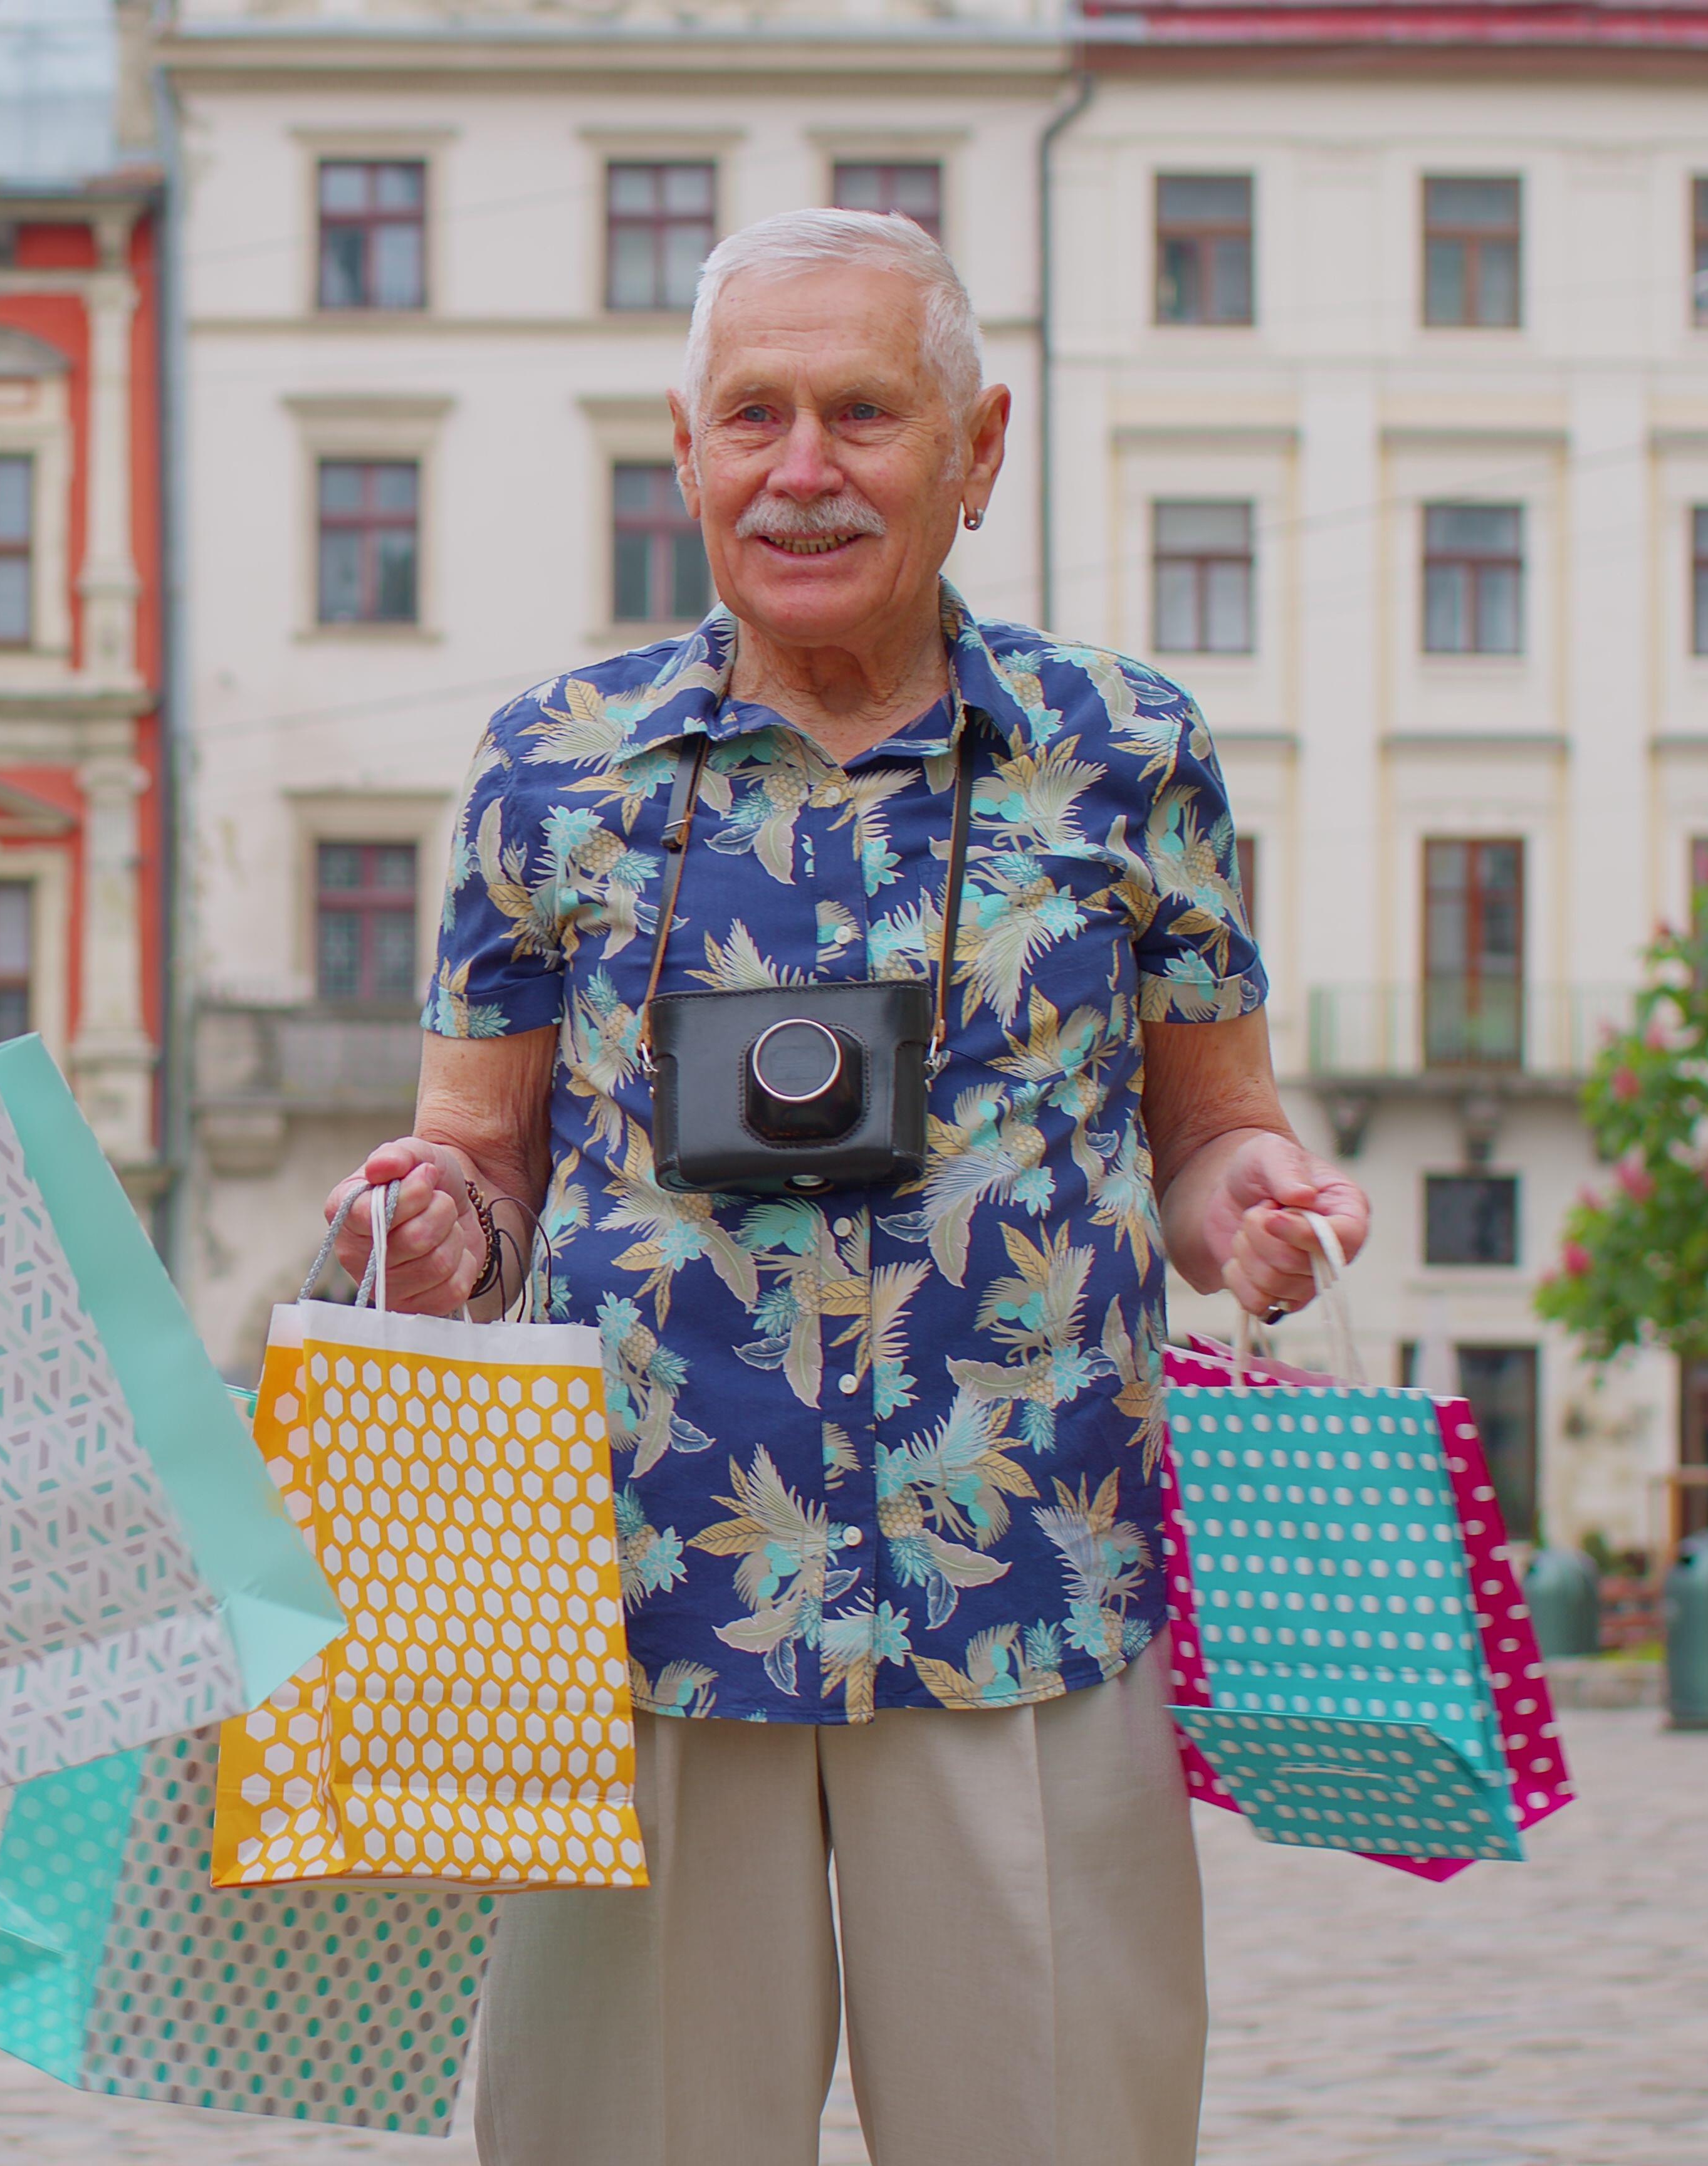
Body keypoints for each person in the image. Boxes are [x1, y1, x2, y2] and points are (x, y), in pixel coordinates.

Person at [328, 210, 1370, 2166]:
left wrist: (1255, 1209)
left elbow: (1211, 1125)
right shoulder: (545, 771)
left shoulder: (1124, 753)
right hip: (634, 1601)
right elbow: (478, 1153)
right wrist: (435, 1217)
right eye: (752, 416)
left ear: (974, 450)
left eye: (863, 414)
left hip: (1025, 1592)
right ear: (686, 451)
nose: (799, 469)